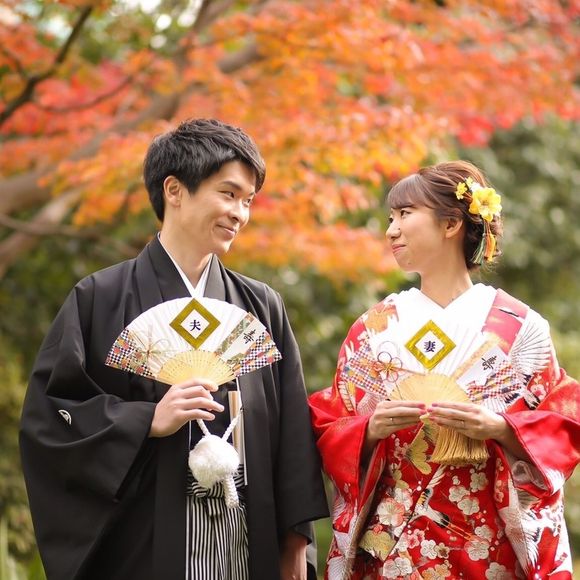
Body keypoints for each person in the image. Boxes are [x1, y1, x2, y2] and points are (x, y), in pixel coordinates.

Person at [20, 118, 329, 580]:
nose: (240, 214)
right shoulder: (100, 298)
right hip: (144, 539)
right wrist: (146, 420)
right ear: (174, 190)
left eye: (247, 201)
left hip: (245, 533)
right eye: (228, 194)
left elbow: (291, 434)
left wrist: (295, 542)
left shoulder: (261, 305)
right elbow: (51, 419)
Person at [309, 160, 580, 579]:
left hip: (487, 544)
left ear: (451, 224)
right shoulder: (374, 328)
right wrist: (369, 429)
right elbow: (330, 424)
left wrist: (502, 428)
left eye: (405, 214)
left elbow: (562, 421)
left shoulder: (519, 327)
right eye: (390, 217)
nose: (391, 230)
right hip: (392, 546)